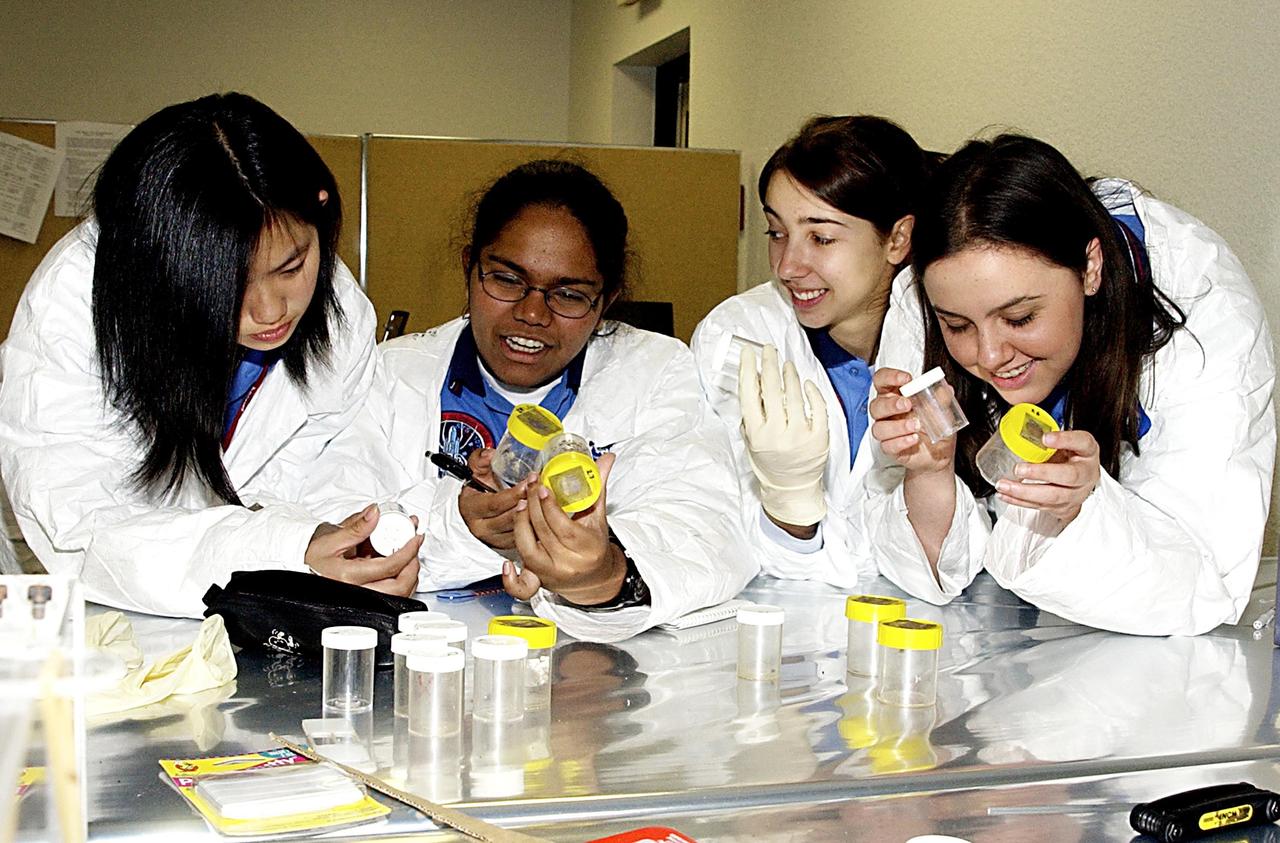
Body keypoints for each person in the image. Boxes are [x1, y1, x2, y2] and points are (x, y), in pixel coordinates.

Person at [0, 93, 420, 617]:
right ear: (159, 263)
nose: (270, 311)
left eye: (291, 267)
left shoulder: (337, 309)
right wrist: (283, 550)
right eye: (227, 286)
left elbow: (333, 454)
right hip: (109, 604)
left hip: (260, 609)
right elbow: (81, 526)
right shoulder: (77, 302)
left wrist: (347, 543)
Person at [867, 134, 1275, 635]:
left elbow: (1204, 587)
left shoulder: (1203, 302)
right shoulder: (934, 289)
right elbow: (917, 568)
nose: (990, 356)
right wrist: (928, 474)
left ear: (1090, 267)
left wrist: (1082, 512)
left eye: (1020, 318)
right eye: (958, 327)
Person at [380, 159, 754, 642]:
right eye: (507, 279)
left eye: (570, 295)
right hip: (417, 666)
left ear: (606, 301)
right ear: (470, 266)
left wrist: (602, 571)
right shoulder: (393, 372)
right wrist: (460, 525)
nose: (532, 313)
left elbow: (705, 528)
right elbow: (333, 526)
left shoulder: (654, 370)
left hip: (582, 675)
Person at [690, 115, 929, 585]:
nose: (788, 266)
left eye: (820, 237)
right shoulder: (738, 339)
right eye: (776, 234)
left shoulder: (950, 334)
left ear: (897, 239)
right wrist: (788, 504)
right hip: (773, 624)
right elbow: (719, 532)